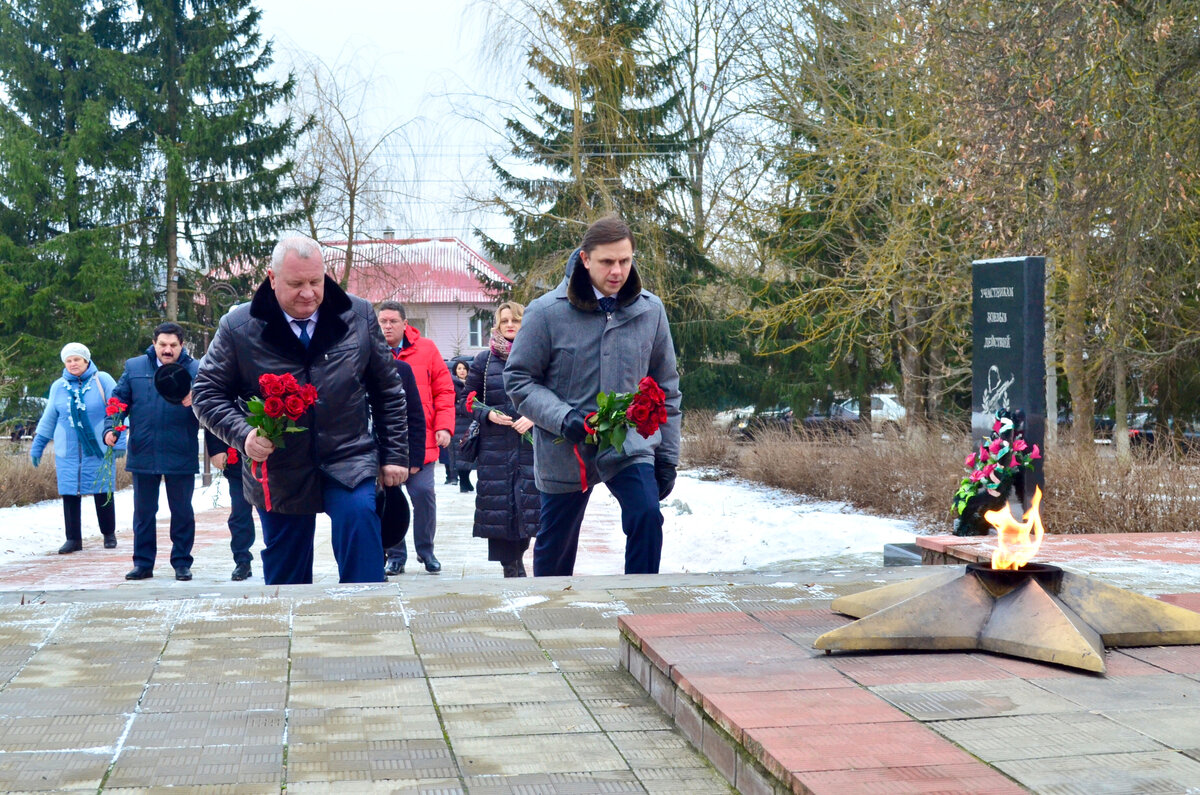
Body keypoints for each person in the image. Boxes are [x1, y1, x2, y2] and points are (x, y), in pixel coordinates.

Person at [192, 235, 409, 585]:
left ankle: (369, 625)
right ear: (272, 278)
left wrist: (395, 454)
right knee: (286, 578)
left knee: (360, 526)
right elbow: (205, 392)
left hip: (348, 455)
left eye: (315, 281)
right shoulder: (239, 328)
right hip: (278, 468)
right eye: (295, 284)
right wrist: (244, 434)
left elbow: (388, 390)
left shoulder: (359, 315)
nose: (308, 293)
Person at [505, 215, 682, 576]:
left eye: (625, 260)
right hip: (565, 449)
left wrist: (668, 457)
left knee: (647, 515)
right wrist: (561, 417)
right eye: (607, 261)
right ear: (585, 259)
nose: (617, 271)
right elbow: (520, 380)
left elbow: (667, 387)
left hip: (629, 443)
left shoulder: (650, 311)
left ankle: (640, 604)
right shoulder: (546, 313)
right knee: (555, 551)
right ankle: (550, 615)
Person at [105, 323, 201, 581]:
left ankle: (182, 562)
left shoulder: (196, 370)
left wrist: (198, 397)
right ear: (154, 343)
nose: (167, 350)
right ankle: (143, 564)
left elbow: (215, 402)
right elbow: (119, 400)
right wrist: (112, 428)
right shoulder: (135, 367)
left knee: (182, 512)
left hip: (180, 449)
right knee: (144, 513)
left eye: (173, 345)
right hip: (144, 450)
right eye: (163, 345)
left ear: (182, 345)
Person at [376, 300, 454, 575]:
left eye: (393, 321)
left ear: (405, 324)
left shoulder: (427, 350)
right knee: (392, 498)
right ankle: (396, 555)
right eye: (382, 321)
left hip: (422, 438)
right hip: (387, 444)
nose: (387, 326)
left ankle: (426, 549)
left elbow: (445, 390)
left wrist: (444, 426)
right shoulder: (372, 353)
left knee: (422, 493)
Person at [466, 301, 540, 577]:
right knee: (498, 507)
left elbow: (552, 395)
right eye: (504, 320)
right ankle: (509, 565)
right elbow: (467, 400)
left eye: (515, 320)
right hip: (494, 447)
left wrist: (534, 417)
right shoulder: (483, 361)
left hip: (528, 445)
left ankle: (519, 557)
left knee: (527, 505)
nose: (510, 325)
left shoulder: (538, 355)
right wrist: (487, 415)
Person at [30, 343, 123, 553]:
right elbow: (49, 417)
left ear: (86, 361)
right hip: (67, 449)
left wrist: (120, 439)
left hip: (99, 445)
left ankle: (109, 534)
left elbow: (117, 408)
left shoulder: (103, 380)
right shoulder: (58, 386)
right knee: (70, 492)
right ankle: (73, 539)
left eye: (77, 360)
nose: (73, 364)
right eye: (69, 360)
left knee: (102, 489)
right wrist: (38, 445)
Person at [377, 353, 426, 575]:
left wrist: (414, 458)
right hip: (364, 453)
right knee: (377, 505)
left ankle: (425, 551)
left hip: (399, 451)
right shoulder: (350, 365)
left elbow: (414, 415)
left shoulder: (401, 369)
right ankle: (390, 556)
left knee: (417, 497)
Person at [204, 431, 255, 580]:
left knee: (276, 515)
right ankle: (242, 560)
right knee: (240, 513)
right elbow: (215, 413)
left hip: (273, 460)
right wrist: (216, 450)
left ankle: (279, 559)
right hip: (238, 457)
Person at [450, 359, 474, 493]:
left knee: (469, 451)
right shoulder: (452, 384)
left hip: (470, 422)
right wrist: (463, 407)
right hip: (458, 422)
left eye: (464, 368)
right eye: (459, 368)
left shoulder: (471, 384)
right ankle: (463, 481)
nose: (462, 371)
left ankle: (467, 479)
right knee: (459, 453)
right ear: (455, 371)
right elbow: (450, 403)